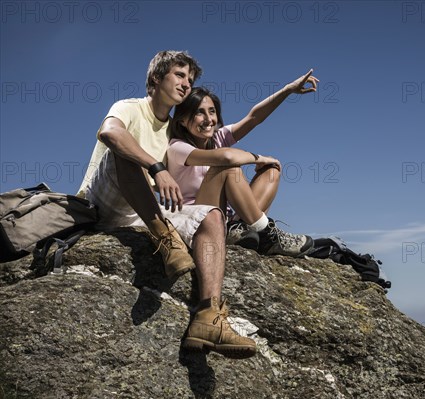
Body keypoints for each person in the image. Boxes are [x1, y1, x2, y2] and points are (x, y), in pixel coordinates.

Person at [78, 50, 256, 359]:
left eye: (190, 78)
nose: (187, 84)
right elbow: (110, 133)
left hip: (140, 213)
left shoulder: (174, 129)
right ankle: (166, 237)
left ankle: (208, 316)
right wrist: (156, 167)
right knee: (124, 146)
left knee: (210, 216)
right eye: (179, 75)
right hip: (104, 203)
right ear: (155, 79)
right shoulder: (130, 107)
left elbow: (240, 127)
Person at [166, 70, 319, 259]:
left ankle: (244, 229)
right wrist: (258, 157)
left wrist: (287, 90)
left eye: (212, 111)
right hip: (199, 220)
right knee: (228, 170)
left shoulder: (218, 137)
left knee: (271, 171)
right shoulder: (177, 148)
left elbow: (254, 118)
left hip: (230, 221)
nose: (208, 120)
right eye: (199, 113)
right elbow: (227, 158)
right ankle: (268, 233)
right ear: (182, 120)